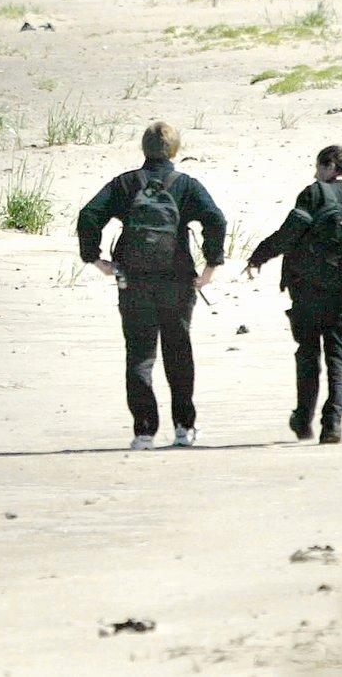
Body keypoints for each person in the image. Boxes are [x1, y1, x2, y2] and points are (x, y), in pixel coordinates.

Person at [76, 122, 227, 449]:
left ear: (144, 149)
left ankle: (144, 432)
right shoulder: (185, 184)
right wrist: (211, 265)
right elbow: (216, 219)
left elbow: (89, 215)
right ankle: (184, 428)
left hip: (134, 281)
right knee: (178, 352)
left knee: (140, 355)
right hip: (177, 279)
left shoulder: (126, 183)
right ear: (175, 151)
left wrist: (95, 259)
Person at [243, 145, 342, 445]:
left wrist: (259, 255)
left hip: (306, 290)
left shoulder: (313, 193)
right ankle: (332, 424)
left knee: (308, 354)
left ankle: (303, 420)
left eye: (318, 166)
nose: (315, 172)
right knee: (338, 358)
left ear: (329, 167)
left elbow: (290, 232)